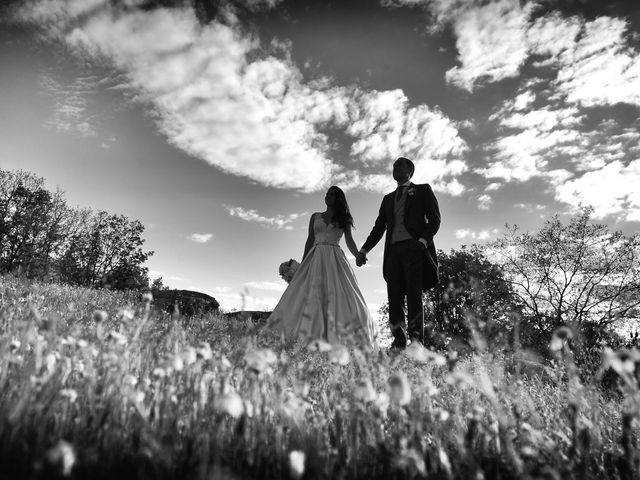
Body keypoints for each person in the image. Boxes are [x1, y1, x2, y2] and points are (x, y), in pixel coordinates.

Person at [268, 186, 375, 345]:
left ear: (338, 198)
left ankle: (338, 338)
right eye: (327, 194)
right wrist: (303, 264)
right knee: (309, 293)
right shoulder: (315, 216)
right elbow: (310, 240)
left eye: (332, 195)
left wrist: (358, 255)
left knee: (337, 294)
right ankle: (300, 336)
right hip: (315, 256)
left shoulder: (344, 218)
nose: (328, 197)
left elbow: (349, 241)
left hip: (335, 258)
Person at [356, 157, 440, 350]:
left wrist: (422, 241)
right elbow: (379, 228)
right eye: (393, 166)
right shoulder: (387, 199)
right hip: (393, 252)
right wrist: (364, 249)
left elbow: (435, 219)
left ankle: (417, 344)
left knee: (414, 296)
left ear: (410, 170)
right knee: (394, 298)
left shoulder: (423, 190)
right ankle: (399, 342)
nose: (395, 168)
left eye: (399, 165)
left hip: (415, 249)